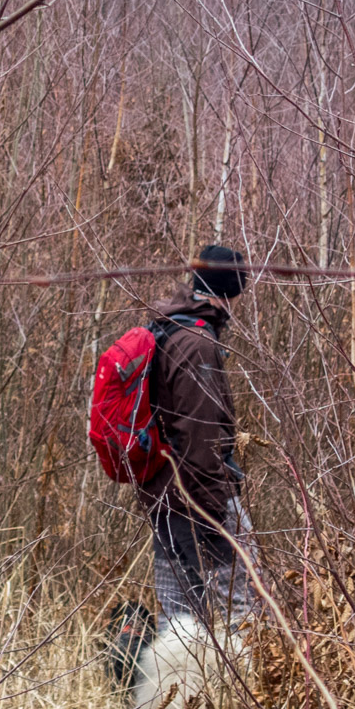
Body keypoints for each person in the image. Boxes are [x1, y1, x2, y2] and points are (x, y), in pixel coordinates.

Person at [140, 243, 254, 632]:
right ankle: (234, 691)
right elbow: (200, 434)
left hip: (164, 494)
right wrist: (215, 513)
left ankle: (169, 692)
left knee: (177, 618)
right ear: (230, 293)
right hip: (199, 501)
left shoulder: (167, 328)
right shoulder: (197, 346)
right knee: (237, 612)